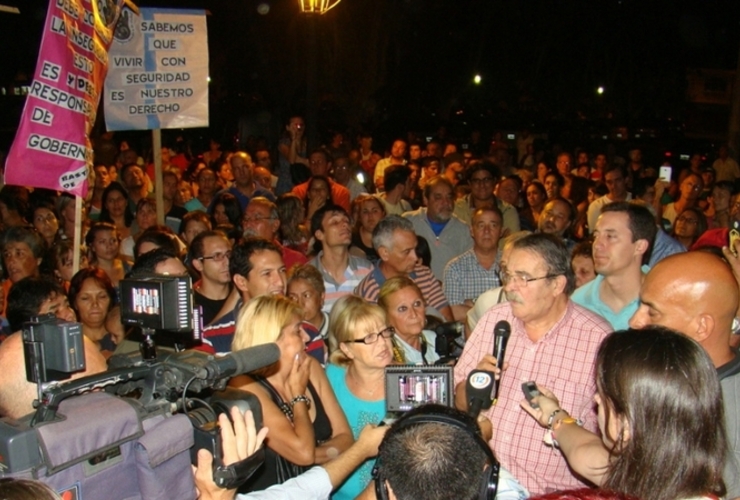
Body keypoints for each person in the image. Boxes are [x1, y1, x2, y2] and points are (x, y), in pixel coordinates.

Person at [454, 233, 612, 494]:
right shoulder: (495, 320)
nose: (510, 287)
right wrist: (474, 386)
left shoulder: (597, 340)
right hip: (480, 484)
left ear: (557, 285)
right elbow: (458, 402)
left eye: (524, 278)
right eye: (508, 275)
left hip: (550, 493)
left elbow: (607, 441)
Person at [521, 327, 727, 500]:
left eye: (603, 394)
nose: (596, 399)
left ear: (627, 426)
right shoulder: (660, 472)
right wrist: (555, 415)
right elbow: (583, 451)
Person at [629, 251, 740, 497]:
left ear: (702, 327)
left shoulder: (730, 412)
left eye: (652, 312)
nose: (635, 321)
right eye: (640, 305)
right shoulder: (671, 381)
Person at [229, 295, 353, 492]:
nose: (307, 337)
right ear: (271, 339)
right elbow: (303, 453)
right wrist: (298, 397)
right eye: (297, 330)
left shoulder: (310, 366)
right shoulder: (244, 386)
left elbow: (346, 438)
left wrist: (315, 454)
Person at [0, 277, 107, 419]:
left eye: (67, 305)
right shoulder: (10, 365)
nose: (69, 313)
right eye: (55, 312)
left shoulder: (81, 346)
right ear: (30, 325)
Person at [325, 295, 393, 500]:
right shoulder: (331, 376)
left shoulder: (409, 381)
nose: (382, 343)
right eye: (369, 338)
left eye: (384, 332)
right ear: (346, 349)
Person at [571, 202, 655, 330]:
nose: (597, 244)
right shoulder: (579, 303)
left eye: (610, 236)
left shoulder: (663, 301)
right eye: (596, 235)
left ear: (639, 246)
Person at [354, 215, 453, 322]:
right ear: (384, 253)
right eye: (406, 252)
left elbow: (446, 319)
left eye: (415, 249)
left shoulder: (424, 274)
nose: (415, 257)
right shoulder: (370, 292)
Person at [200, 238, 287, 354]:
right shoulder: (212, 339)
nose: (280, 282)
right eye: (267, 273)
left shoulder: (304, 332)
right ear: (241, 282)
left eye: (282, 271)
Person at [403, 176, 473, 281]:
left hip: (448, 293)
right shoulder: (408, 222)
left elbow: (468, 271)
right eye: (438, 197)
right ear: (426, 200)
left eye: (449, 197)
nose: (446, 203)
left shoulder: (464, 231)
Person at [308, 204, 373, 313]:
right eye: (335, 222)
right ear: (319, 234)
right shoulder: (308, 275)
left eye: (346, 221)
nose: (344, 225)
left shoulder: (366, 270)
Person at [443, 206, 504, 321]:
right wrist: (498, 311)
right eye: (481, 225)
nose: (487, 231)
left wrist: (473, 304)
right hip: (468, 338)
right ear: (472, 231)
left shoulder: (512, 265)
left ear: (501, 231)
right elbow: (454, 312)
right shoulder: (455, 268)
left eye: (493, 225)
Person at [378, 276, 439, 365]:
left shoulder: (434, 338)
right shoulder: (385, 351)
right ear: (386, 317)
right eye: (402, 309)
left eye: (417, 304)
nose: (414, 314)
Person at [454, 162, 520, 234]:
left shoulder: (507, 211)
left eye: (486, 180)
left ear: (494, 181)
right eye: (476, 181)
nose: (482, 185)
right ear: (470, 183)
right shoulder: (457, 209)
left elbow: (513, 242)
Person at [242, 197, 307, 270]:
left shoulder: (294, 261)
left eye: (257, 218)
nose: (248, 224)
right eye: (246, 218)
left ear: (275, 225)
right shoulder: (237, 258)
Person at [68, 267, 117, 357]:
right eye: (85, 298)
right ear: (75, 303)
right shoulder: (69, 343)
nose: (95, 304)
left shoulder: (120, 337)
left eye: (102, 296)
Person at [188, 230, 234, 326]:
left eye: (229, 254)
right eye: (217, 256)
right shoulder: (190, 303)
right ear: (198, 264)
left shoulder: (244, 293)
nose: (227, 262)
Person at [287, 264, 329, 363]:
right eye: (293, 297)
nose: (299, 304)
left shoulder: (337, 328)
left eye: (306, 295)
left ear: (321, 296)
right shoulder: (289, 336)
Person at [1, 226, 46, 313]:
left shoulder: (50, 292)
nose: (11, 261)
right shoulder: (2, 295)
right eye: (7, 255)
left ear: (38, 260)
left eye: (19, 254)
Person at [587, 165, 631, 234]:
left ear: (626, 180)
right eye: (609, 182)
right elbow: (594, 235)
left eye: (618, 180)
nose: (613, 186)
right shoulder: (596, 206)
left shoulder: (636, 201)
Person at [85, 222, 130, 288]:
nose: (109, 246)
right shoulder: (87, 272)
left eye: (113, 240)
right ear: (92, 246)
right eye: (102, 242)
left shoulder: (129, 268)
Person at [350, 194, 386, 263]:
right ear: (359, 216)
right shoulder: (351, 238)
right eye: (365, 212)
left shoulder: (391, 237)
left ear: (383, 214)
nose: (370, 215)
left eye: (375, 211)